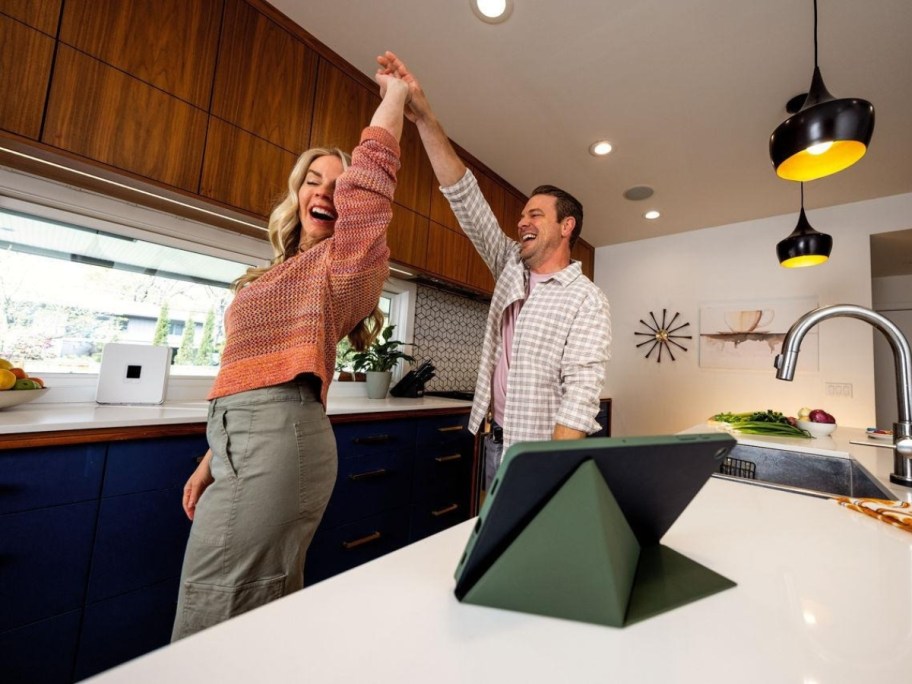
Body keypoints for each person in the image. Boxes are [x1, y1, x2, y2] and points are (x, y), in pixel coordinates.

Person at [171, 72, 411, 641]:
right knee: (247, 605)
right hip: (243, 441)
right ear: (296, 192)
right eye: (312, 180)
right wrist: (213, 458)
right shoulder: (278, 273)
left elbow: (372, 184)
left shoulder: (346, 264)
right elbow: (245, 371)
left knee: (218, 605)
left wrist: (396, 97)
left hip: (279, 435)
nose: (325, 192)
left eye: (339, 184)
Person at [377, 52, 611, 490]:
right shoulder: (509, 264)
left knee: (535, 529)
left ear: (567, 226)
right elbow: (464, 195)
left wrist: (550, 470)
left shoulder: (586, 298)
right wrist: (423, 117)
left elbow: (582, 393)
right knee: (492, 524)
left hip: (541, 451)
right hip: (495, 439)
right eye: (522, 215)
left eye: (536, 215)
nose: (522, 222)